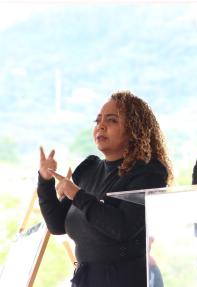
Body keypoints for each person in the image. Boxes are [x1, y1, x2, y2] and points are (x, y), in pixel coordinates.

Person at [37, 91, 173, 287]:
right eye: (98, 120)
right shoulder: (88, 169)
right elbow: (56, 225)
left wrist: (77, 194)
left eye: (112, 120)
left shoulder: (148, 172)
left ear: (134, 129)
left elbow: (122, 228)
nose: (100, 126)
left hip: (123, 279)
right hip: (86, 278)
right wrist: (45, 180)